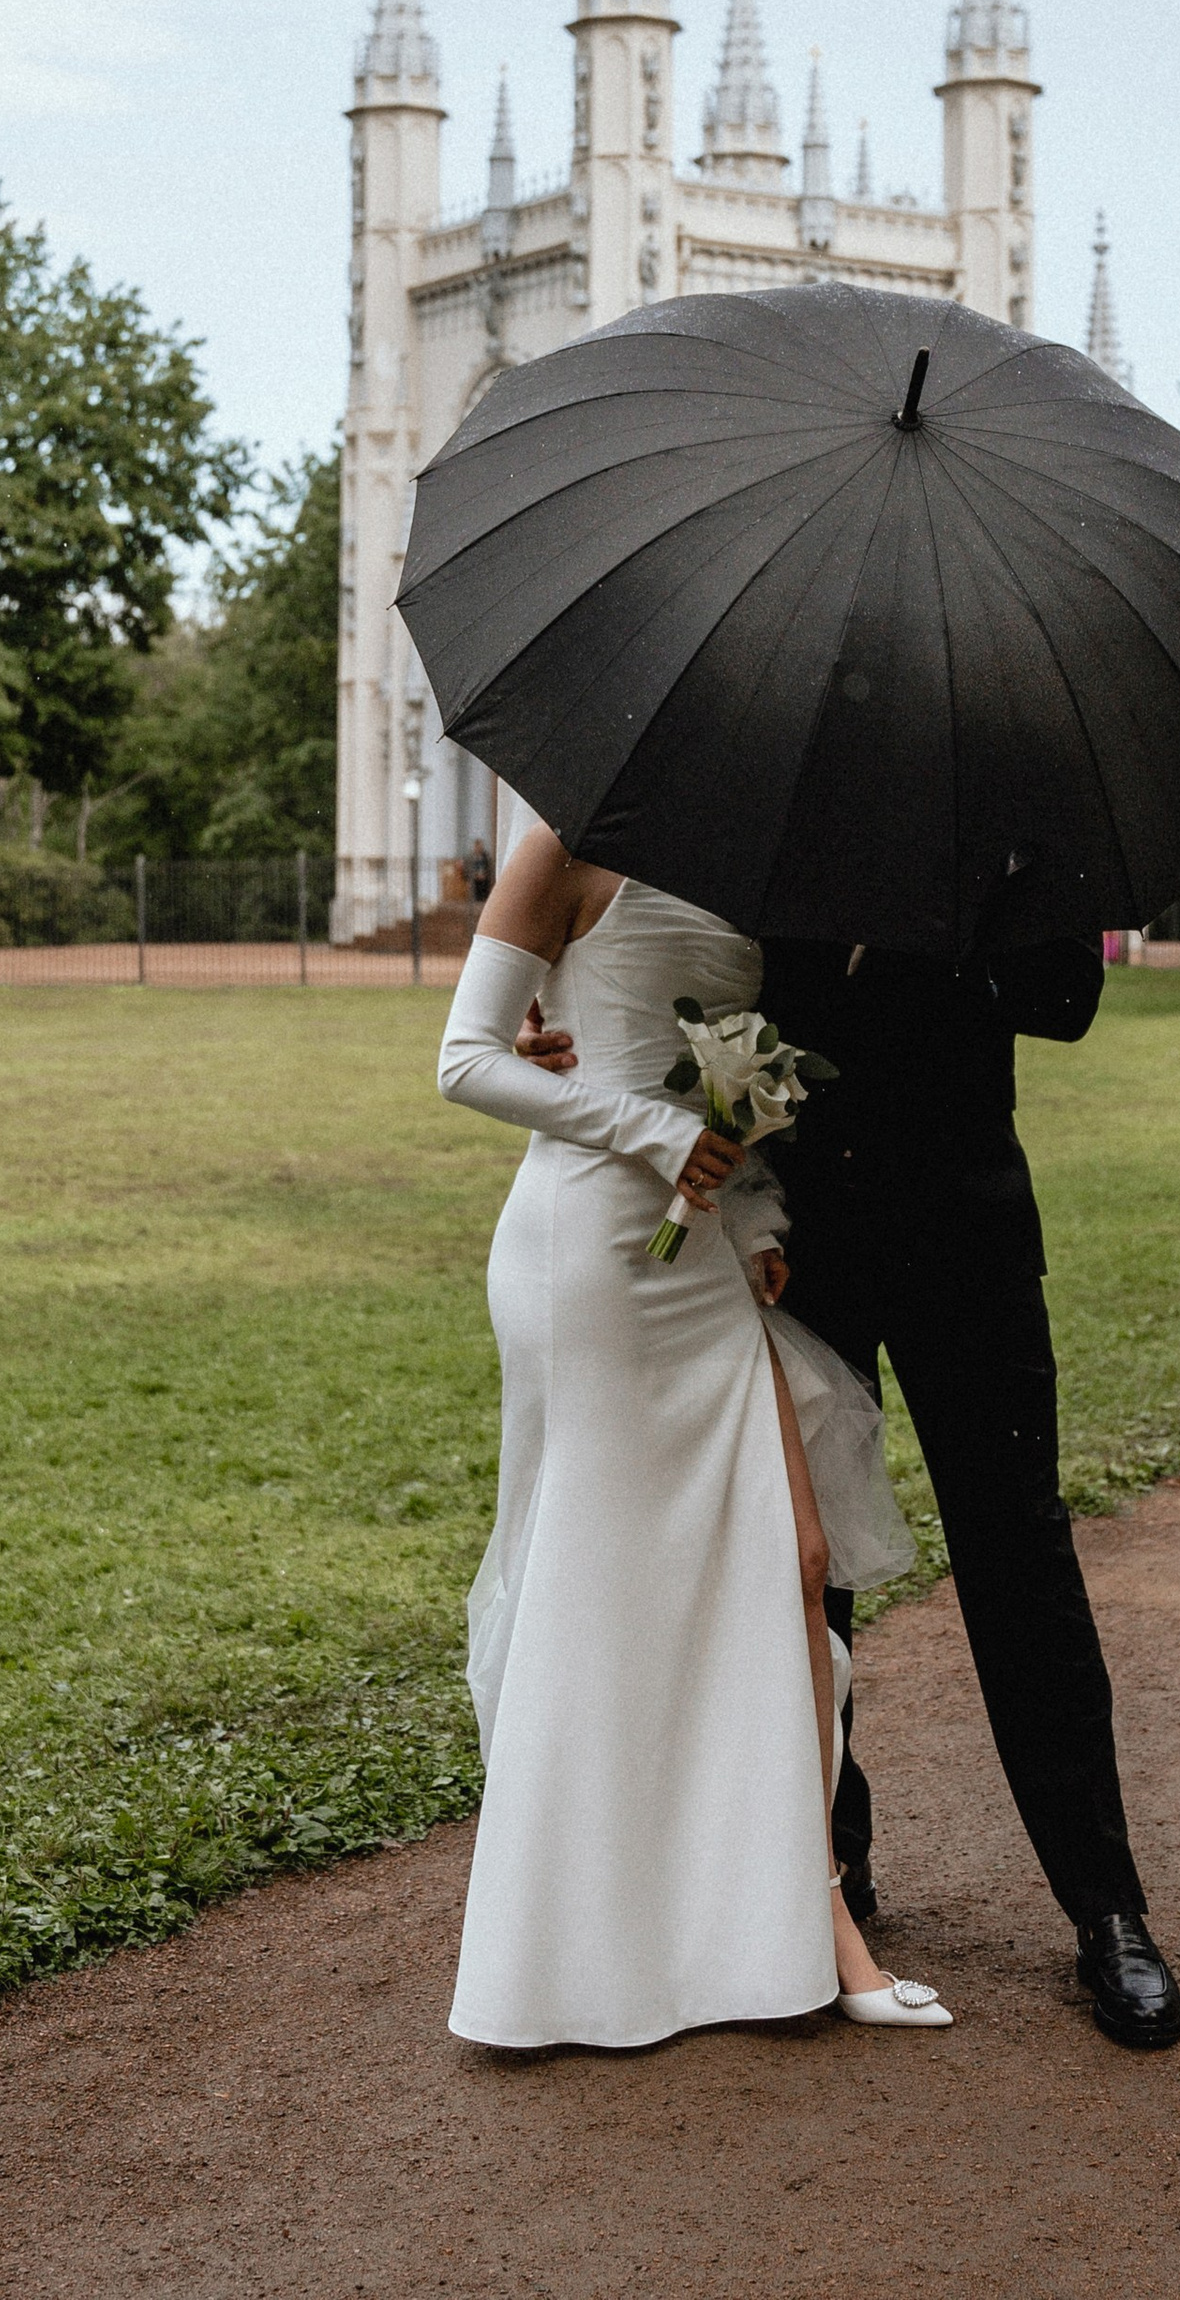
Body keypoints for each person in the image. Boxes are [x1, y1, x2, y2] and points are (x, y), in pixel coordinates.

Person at [435, 823, 947, 2049]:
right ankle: (572, 1949)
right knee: (602, 1592)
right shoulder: (560, 842)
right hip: (591, 1255)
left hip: (702, 1249)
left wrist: (755, 1208)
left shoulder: (742, 855)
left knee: (794, 1565)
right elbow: (463, 1062)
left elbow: (720, 1089)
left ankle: (801, 1926)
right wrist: (656, 1134)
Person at [755, 929, 1180, 2053]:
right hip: (802, 1236)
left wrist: (932, 925)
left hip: (966, 1225)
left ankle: (1106, 1909)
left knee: (1019, 1555)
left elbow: (1066, 991)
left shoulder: (998, 806)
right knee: (815, 1563)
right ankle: (834, 1878)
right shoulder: (772, 802)